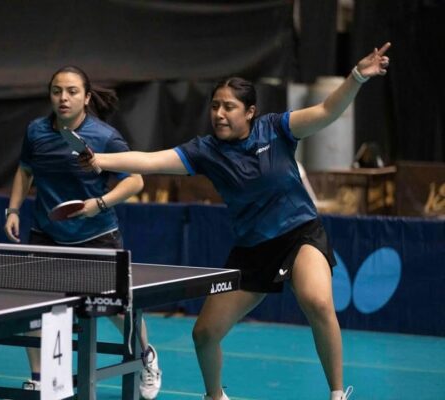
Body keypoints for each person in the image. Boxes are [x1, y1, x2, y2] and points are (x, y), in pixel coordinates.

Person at [79, 43, 391, 400]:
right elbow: (151, 160)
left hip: (300, 234)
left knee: (317, 301)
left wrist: (357, 76)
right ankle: (215, 396)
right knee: (204, 334)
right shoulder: (206, 151)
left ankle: (337, 394)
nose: (219, 114)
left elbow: (326, 111)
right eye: (215, 106)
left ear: (250, 111)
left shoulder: (276, 129)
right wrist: (101, 161)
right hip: (253, 249)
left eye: (229, 107)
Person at [4, 65, 162, 399]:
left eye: (72, 91)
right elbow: (25, 170)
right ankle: (39, 378)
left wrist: (99, 204)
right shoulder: (36, 131)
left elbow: (135, 180)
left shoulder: (104, 136)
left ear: (87, 97)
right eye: (57, 91)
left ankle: (146, 356)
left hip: (95, 235)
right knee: (36, 309)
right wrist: (13, 210)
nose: (63, 98)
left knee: (117, 309)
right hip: (46, 233)